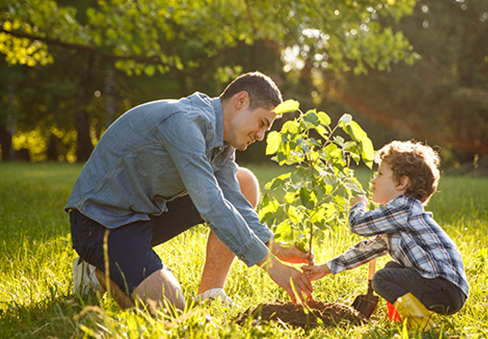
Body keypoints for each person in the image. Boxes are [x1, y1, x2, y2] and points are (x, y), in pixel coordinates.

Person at [66, 71, 313, 311]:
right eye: (262, 123)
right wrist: (271, 266)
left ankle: (210, 294)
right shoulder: (184, 122)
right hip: (101, 223)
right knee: (170, 307)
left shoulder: (223, 143)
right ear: (241, 101)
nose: (261, 136)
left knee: (243, 182)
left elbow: (234, 199)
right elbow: (212, 204)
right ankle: (94, 273)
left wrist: (272, 246)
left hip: (144, 213)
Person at [303, 140, 468, 329]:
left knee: (382, 279)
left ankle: (422, 325)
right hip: (447, 289)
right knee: (392, 268)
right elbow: (367, 250)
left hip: (443, 287)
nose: (373, 180)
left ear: (402, 182)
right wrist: (326, 268)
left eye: (380, 174)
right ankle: (406, 319)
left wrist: (358, 206)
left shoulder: (403, 208)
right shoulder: (400, 218)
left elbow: (358, 225)